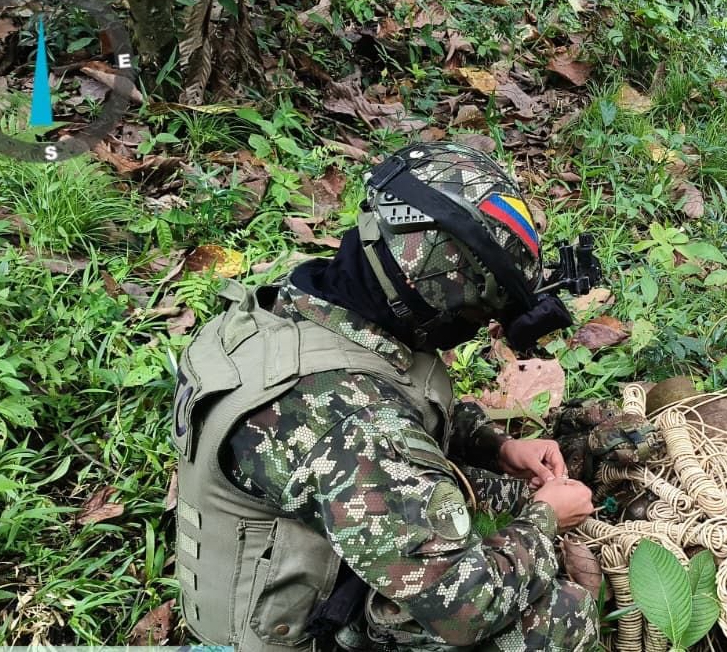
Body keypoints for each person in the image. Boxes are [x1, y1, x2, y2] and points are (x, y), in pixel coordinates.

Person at [170, 143, 600, 651]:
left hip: (308, 557)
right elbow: (467, 608)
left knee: (509, 495)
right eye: (483, 307)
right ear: (442, 281)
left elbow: (392, 388)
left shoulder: (310, 305)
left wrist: (492, 446)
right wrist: (545, 519)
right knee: (558, 620)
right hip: (291, 633)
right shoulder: (351, 422)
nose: (480, 325)